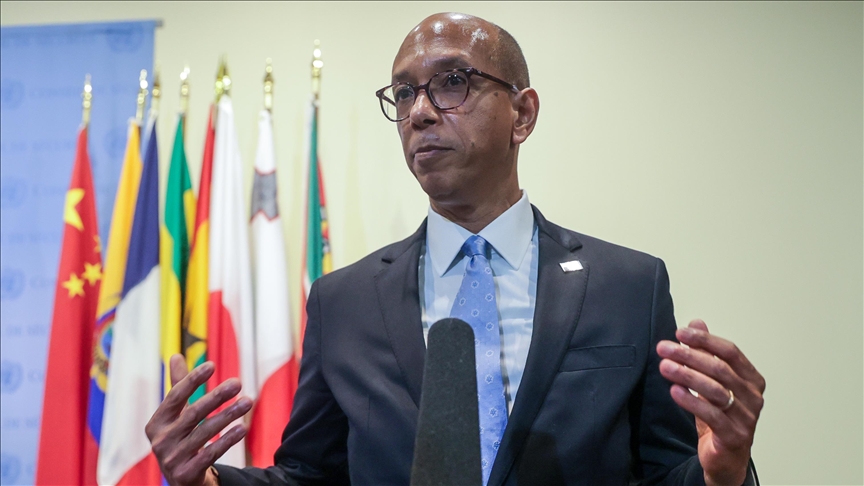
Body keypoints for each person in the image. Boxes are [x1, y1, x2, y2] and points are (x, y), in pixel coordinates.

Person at [146, 12, 766, 486]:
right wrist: (208, 482)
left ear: (522, 114)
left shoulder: (628, 286)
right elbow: (313, 476)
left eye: (451, 83)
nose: (419, 112)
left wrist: (725, 470)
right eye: (404, 93)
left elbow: (667, 471)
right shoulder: (343, 301)